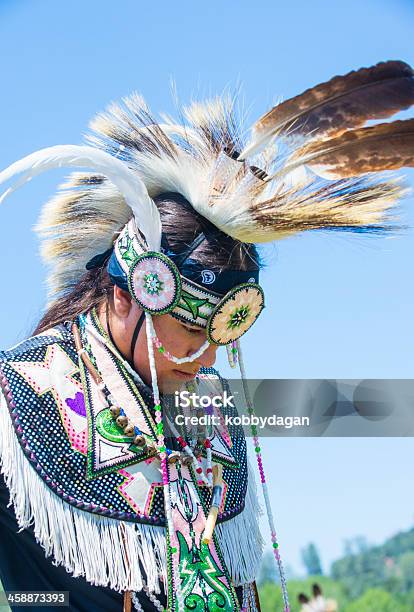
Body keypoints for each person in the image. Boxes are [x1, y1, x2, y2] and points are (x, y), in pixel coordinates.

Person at [0, 59, 413, 612]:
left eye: (224, 333)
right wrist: (43, 605)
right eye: (193, 328)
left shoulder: (210, 409)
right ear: (126, 294)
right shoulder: (18, 400)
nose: (208, 356)